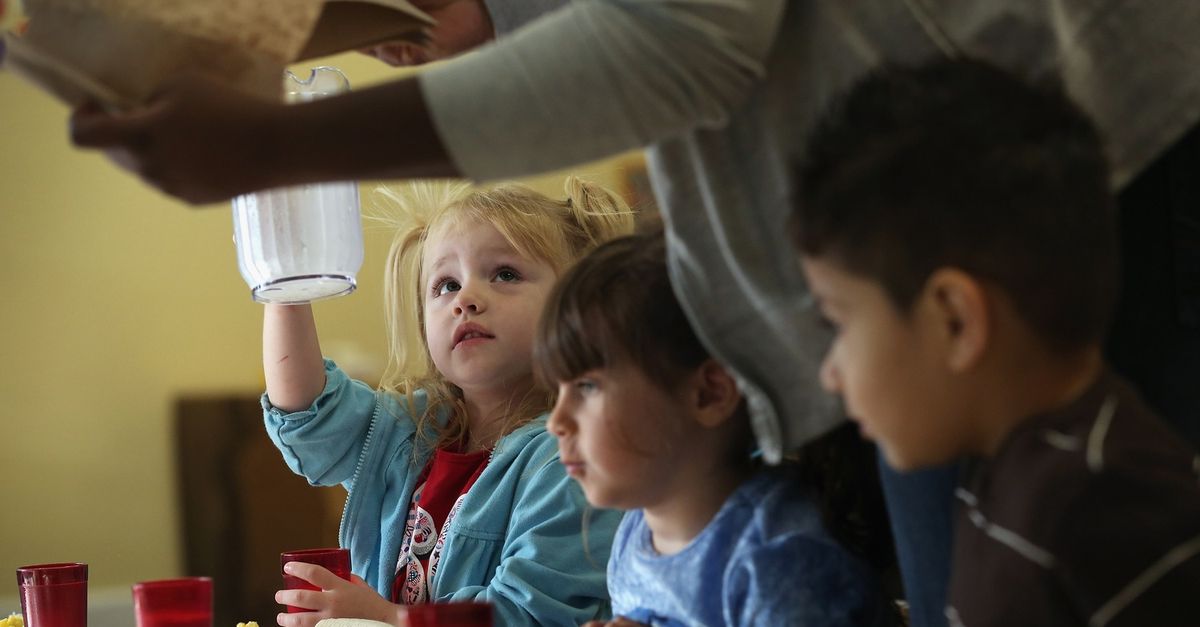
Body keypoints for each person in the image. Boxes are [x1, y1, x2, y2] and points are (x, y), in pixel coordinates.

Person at [66, 3, 1200, 626]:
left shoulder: (1100, 500)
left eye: (506, 278)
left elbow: (682, 39)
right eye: (447, 286)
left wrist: (274, 146)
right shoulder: (426, 439)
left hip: (1062, 177)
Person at [791, 57, 1200, 627]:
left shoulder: (1110, 509)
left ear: (955, 321)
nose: (829, 373)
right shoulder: (1007, 472)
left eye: (839, 325)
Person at [264, 177, 634, 626]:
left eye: (505, 273)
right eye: (445, 285)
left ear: (579, 307)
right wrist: (284, 285)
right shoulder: (410, 430)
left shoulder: (572, 461)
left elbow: (529, 617)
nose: (466, 300)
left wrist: (386, 618)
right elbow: (309, 418)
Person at [535, 228, 896, 627]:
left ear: (709, 394)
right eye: (559, 389)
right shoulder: (636, 530)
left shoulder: (782, 557)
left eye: (587, 386)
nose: (557, 422)